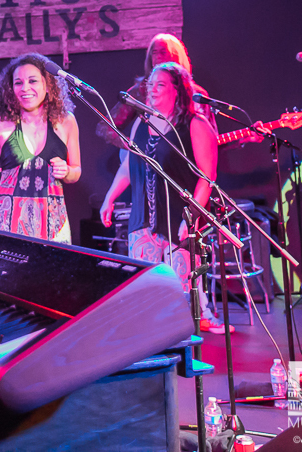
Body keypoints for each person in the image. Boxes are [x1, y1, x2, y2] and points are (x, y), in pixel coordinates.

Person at [98, 63, 233, 334]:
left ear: (177, 90)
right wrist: (109, 197)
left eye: (160, 85)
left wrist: (192, 215)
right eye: (151, 85)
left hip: (179, 222)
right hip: (142, 222)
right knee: (145, 292)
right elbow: (128, 165)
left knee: (179, 294)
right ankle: (152, 350)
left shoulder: (195, 125)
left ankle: (181, 352)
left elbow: (207, 176)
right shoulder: (140, 123)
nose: (153, 90)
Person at [0, 53, 81, 245]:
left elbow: (76, 171)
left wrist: (67, 171)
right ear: (10, 88)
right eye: (18, 83)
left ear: (48, 85)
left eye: (32, 81)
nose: (25, 88)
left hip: (54, 229)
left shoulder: (66, 122)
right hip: (7, 227)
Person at [96, 33, 218, 151]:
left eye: (163, 52)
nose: (158, 57)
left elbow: (211, 137)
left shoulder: (196, 95)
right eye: (154, 53)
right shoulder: (141, 91)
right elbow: (105, 127)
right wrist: (131, 145)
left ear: (176, 56)